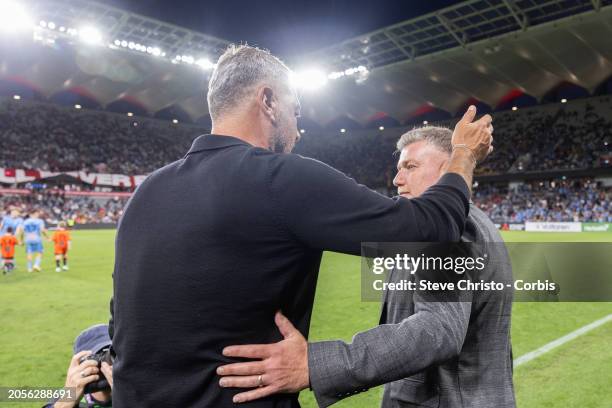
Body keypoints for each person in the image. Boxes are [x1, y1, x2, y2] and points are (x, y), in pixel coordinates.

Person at [110, 44, 493, 407]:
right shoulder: (280, 178)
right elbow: (431, 227)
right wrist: (462, 155)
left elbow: (120, 323)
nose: (298, 129)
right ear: (269, 101)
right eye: (296, 111)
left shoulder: (147, 192)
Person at [218, 126, 514, 407]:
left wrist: (314, 365)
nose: (397, 179)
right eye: (399, 168)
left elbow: (437, 330)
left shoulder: (452, 230)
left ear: (449, 167)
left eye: (410, 167)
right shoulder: (470, 224)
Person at [45, 324, 114, 408]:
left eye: (113, 356)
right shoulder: (67, 394)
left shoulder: (131, 390)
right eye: (99, 358)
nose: (108, 364)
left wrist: (126, 397)